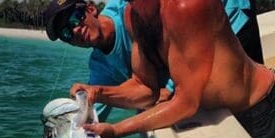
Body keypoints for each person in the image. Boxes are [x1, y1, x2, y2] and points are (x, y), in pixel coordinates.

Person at [70, 0, 275, 138]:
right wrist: (97, 92)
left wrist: (116, 129)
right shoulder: (132, 15)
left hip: (260, 109)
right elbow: (144, 87)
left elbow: (186, 102)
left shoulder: (186, 6)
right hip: (220, 115)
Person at [44, 0, 265, 121]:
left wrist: (171, 87)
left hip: (231, 15)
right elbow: (92, 111)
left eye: (74, 19)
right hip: (192, 74)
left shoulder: (130, 9)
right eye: (66, 34)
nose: (75, 31)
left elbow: (186, 24)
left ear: (90, 9)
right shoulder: (100, 66)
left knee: (254, 102)